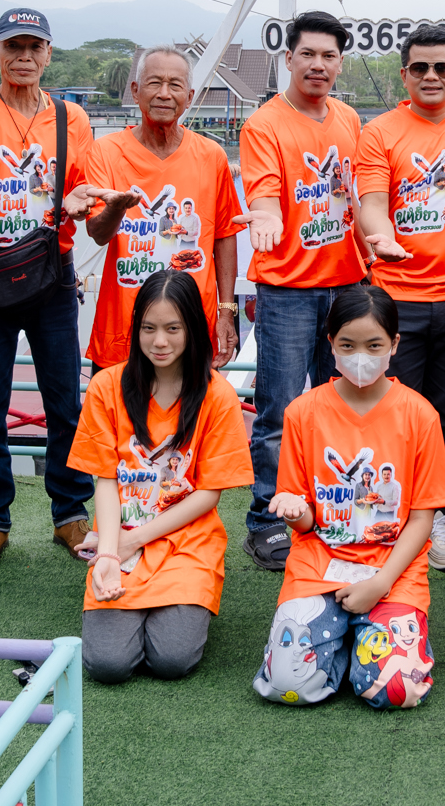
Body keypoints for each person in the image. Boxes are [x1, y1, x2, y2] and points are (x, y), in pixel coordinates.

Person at [0, 9, 100, 572]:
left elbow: (86, 184)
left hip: (53, 272)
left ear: (49, 54)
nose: (25, 57)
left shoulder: (71, 117)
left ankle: (70, 512)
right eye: (14, 46)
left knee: (65, 402)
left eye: (35, 47)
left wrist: (84, 201)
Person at [251, 285, 445, 709]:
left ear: (394, 344)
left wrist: (381, 583)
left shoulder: (420, 415)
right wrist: (295, 512)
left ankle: (364, 638)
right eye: (347, 345)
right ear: (331, 344)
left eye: (374, 345)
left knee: (395, 690)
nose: (361, 356)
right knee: (288, 685)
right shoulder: (302, 412)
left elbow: (421, 519)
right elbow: (306, 523)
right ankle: (342, 642)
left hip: (392, 571)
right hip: (318, 566)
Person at [355, 22, 445, 573]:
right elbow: (372, 202)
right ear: (404, 74)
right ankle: (388, 516)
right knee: (393, 410)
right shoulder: (380, 131)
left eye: (442, 67)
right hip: (397, 296)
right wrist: (381, 236)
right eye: (420, 67)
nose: (431, 76)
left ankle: (436, 517)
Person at [67, 271, 253, 684]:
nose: (160, 341)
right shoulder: (106, 386)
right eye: (148, 328)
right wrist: (110, 553)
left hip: (187, 543)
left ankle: (180, 604)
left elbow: (208, 494)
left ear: (193, 329)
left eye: (173, 328)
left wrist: (129, 543)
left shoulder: (217, 395)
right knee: (108, 665)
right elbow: (106, 481)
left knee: (172, 660)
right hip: (119, 536)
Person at [237, 10, 365, 571]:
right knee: (280, 411)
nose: (318, 64)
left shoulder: (349, 118)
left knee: (343, 405)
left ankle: (332, 510)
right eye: (307, 54)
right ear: (288, 58)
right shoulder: (264, 124)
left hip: (347, 284)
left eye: (328, 55)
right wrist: (265, 217)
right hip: (288, 289)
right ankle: (266, 519)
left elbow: (359, 196)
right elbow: (263, 191)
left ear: (340, 62)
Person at [78, 46, 241, 372]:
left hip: (191, 325)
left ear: (189, 96)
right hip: (124, 328)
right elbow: (97, 232)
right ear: (136, 91)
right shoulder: (106, 152)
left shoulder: (211, 156)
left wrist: (226, 312)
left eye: (175, 85)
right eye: (154, 83)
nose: (164, 94)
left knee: (192, 406)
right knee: (117, 406)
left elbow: (225, 236)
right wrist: (115, 209)